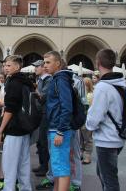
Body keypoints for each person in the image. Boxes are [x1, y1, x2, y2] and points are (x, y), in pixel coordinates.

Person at [86, 49, 125, 191]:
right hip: (117, 136)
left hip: (107, 139)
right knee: (102, 172)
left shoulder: (103, 87)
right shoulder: (120, 83)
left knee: (108, 179)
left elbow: (94, 119)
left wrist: (88, 124)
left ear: (98, 62)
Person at [0, 55, 33, 191]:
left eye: (9, 65)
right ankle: (25, 188)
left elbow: (10, 109)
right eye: (5, 65)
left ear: (17, 67)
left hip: (14, 128)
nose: (5, 68)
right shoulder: (26, 81)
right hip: (25, 127)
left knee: (9, 165)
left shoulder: (13, 82)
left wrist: (1, 130)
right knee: (24, 162)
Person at [44, 51, 74, 191]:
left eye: (48, 62)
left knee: (61, 167)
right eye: (44, 62)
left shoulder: (61, 80)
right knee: (58, 166)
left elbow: (67, 107)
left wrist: (60, 131)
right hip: (55, 127)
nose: (45, 65)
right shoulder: (57, 79)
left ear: (58, 63)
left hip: (59, 129)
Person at [32, 59, 52, 178]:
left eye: (37, 66)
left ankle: (45, 167)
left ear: (43, 68)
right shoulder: (40, 80)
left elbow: (42, 97)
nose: (35, 68)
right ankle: (42, 164)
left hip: (44, 113)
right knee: (40, 142)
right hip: (40, 113)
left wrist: (34, 92)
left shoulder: (48, 80)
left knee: (43, 141)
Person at [81, 77, 94, 164]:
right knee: (81, 138)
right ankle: (82, 153)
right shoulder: (82, 94)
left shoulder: (91, 95)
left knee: (88, 139)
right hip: (81, 120)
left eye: (84, 85)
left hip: (88, 120)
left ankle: (87, 155)